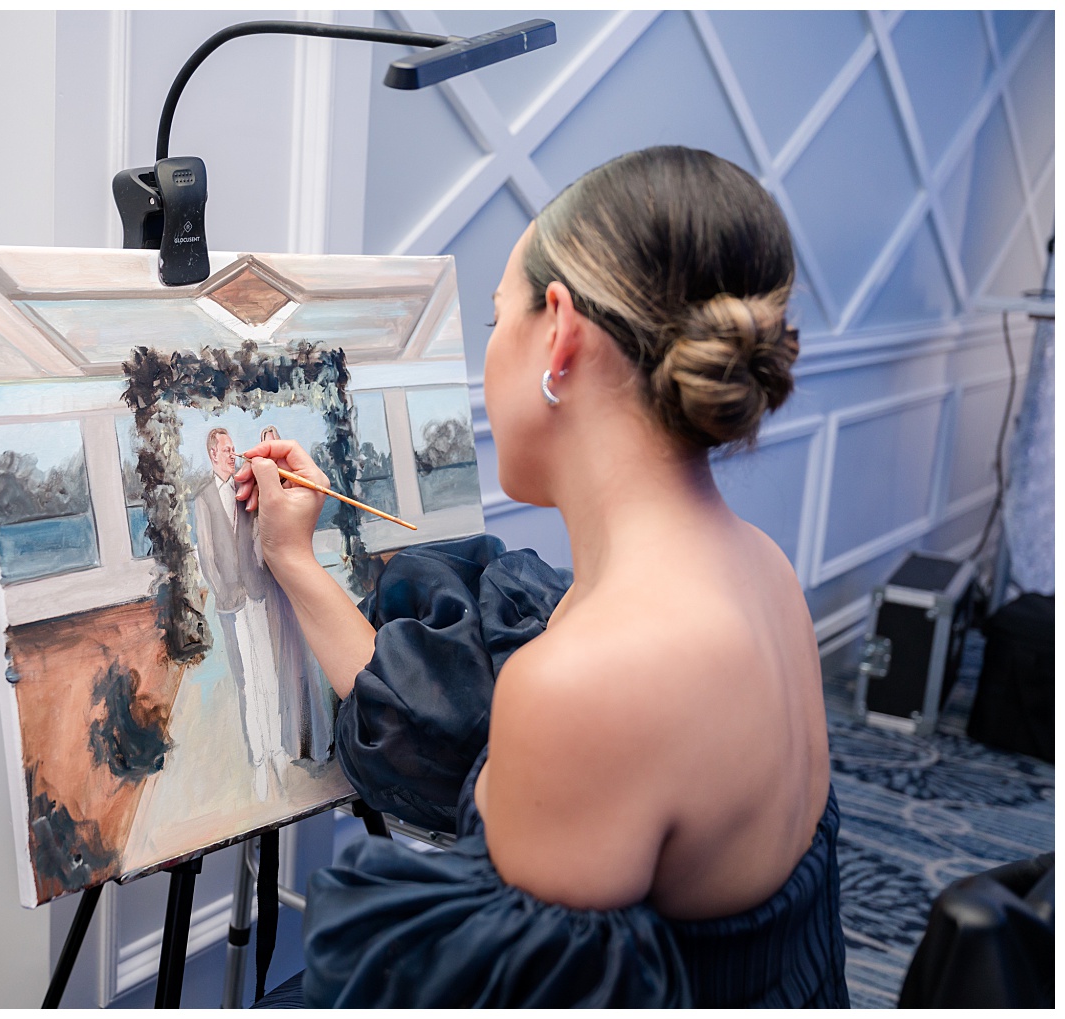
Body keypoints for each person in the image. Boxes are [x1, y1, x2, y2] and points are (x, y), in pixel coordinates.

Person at [233, 146, 848, 1007]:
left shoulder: (590, 678)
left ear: (558, 335)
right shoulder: (759, 568)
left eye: (496, 321)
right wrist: (294, 560)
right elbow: (466, 736)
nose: (487, 356)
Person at [192, 427, 287, 800]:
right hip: (232, 604)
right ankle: (260, 759)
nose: (233, 454)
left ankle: (277, 750)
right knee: (247, 682)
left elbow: (258, 536)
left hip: (257, 594)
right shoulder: (203, 499)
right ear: (213, 454)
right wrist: (224, 593)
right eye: (227, 449)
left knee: (268, 674)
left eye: (234, 448)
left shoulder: (245, 489)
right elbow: (207, 557)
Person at [255, 425, 335, 766]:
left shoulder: (292, 500)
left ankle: (320, 739)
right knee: (288, 666)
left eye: (275, 452)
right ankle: (296, 739)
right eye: (266, 451)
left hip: (298, 595)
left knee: (310, 664)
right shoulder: (262, 504)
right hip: (276, 599)